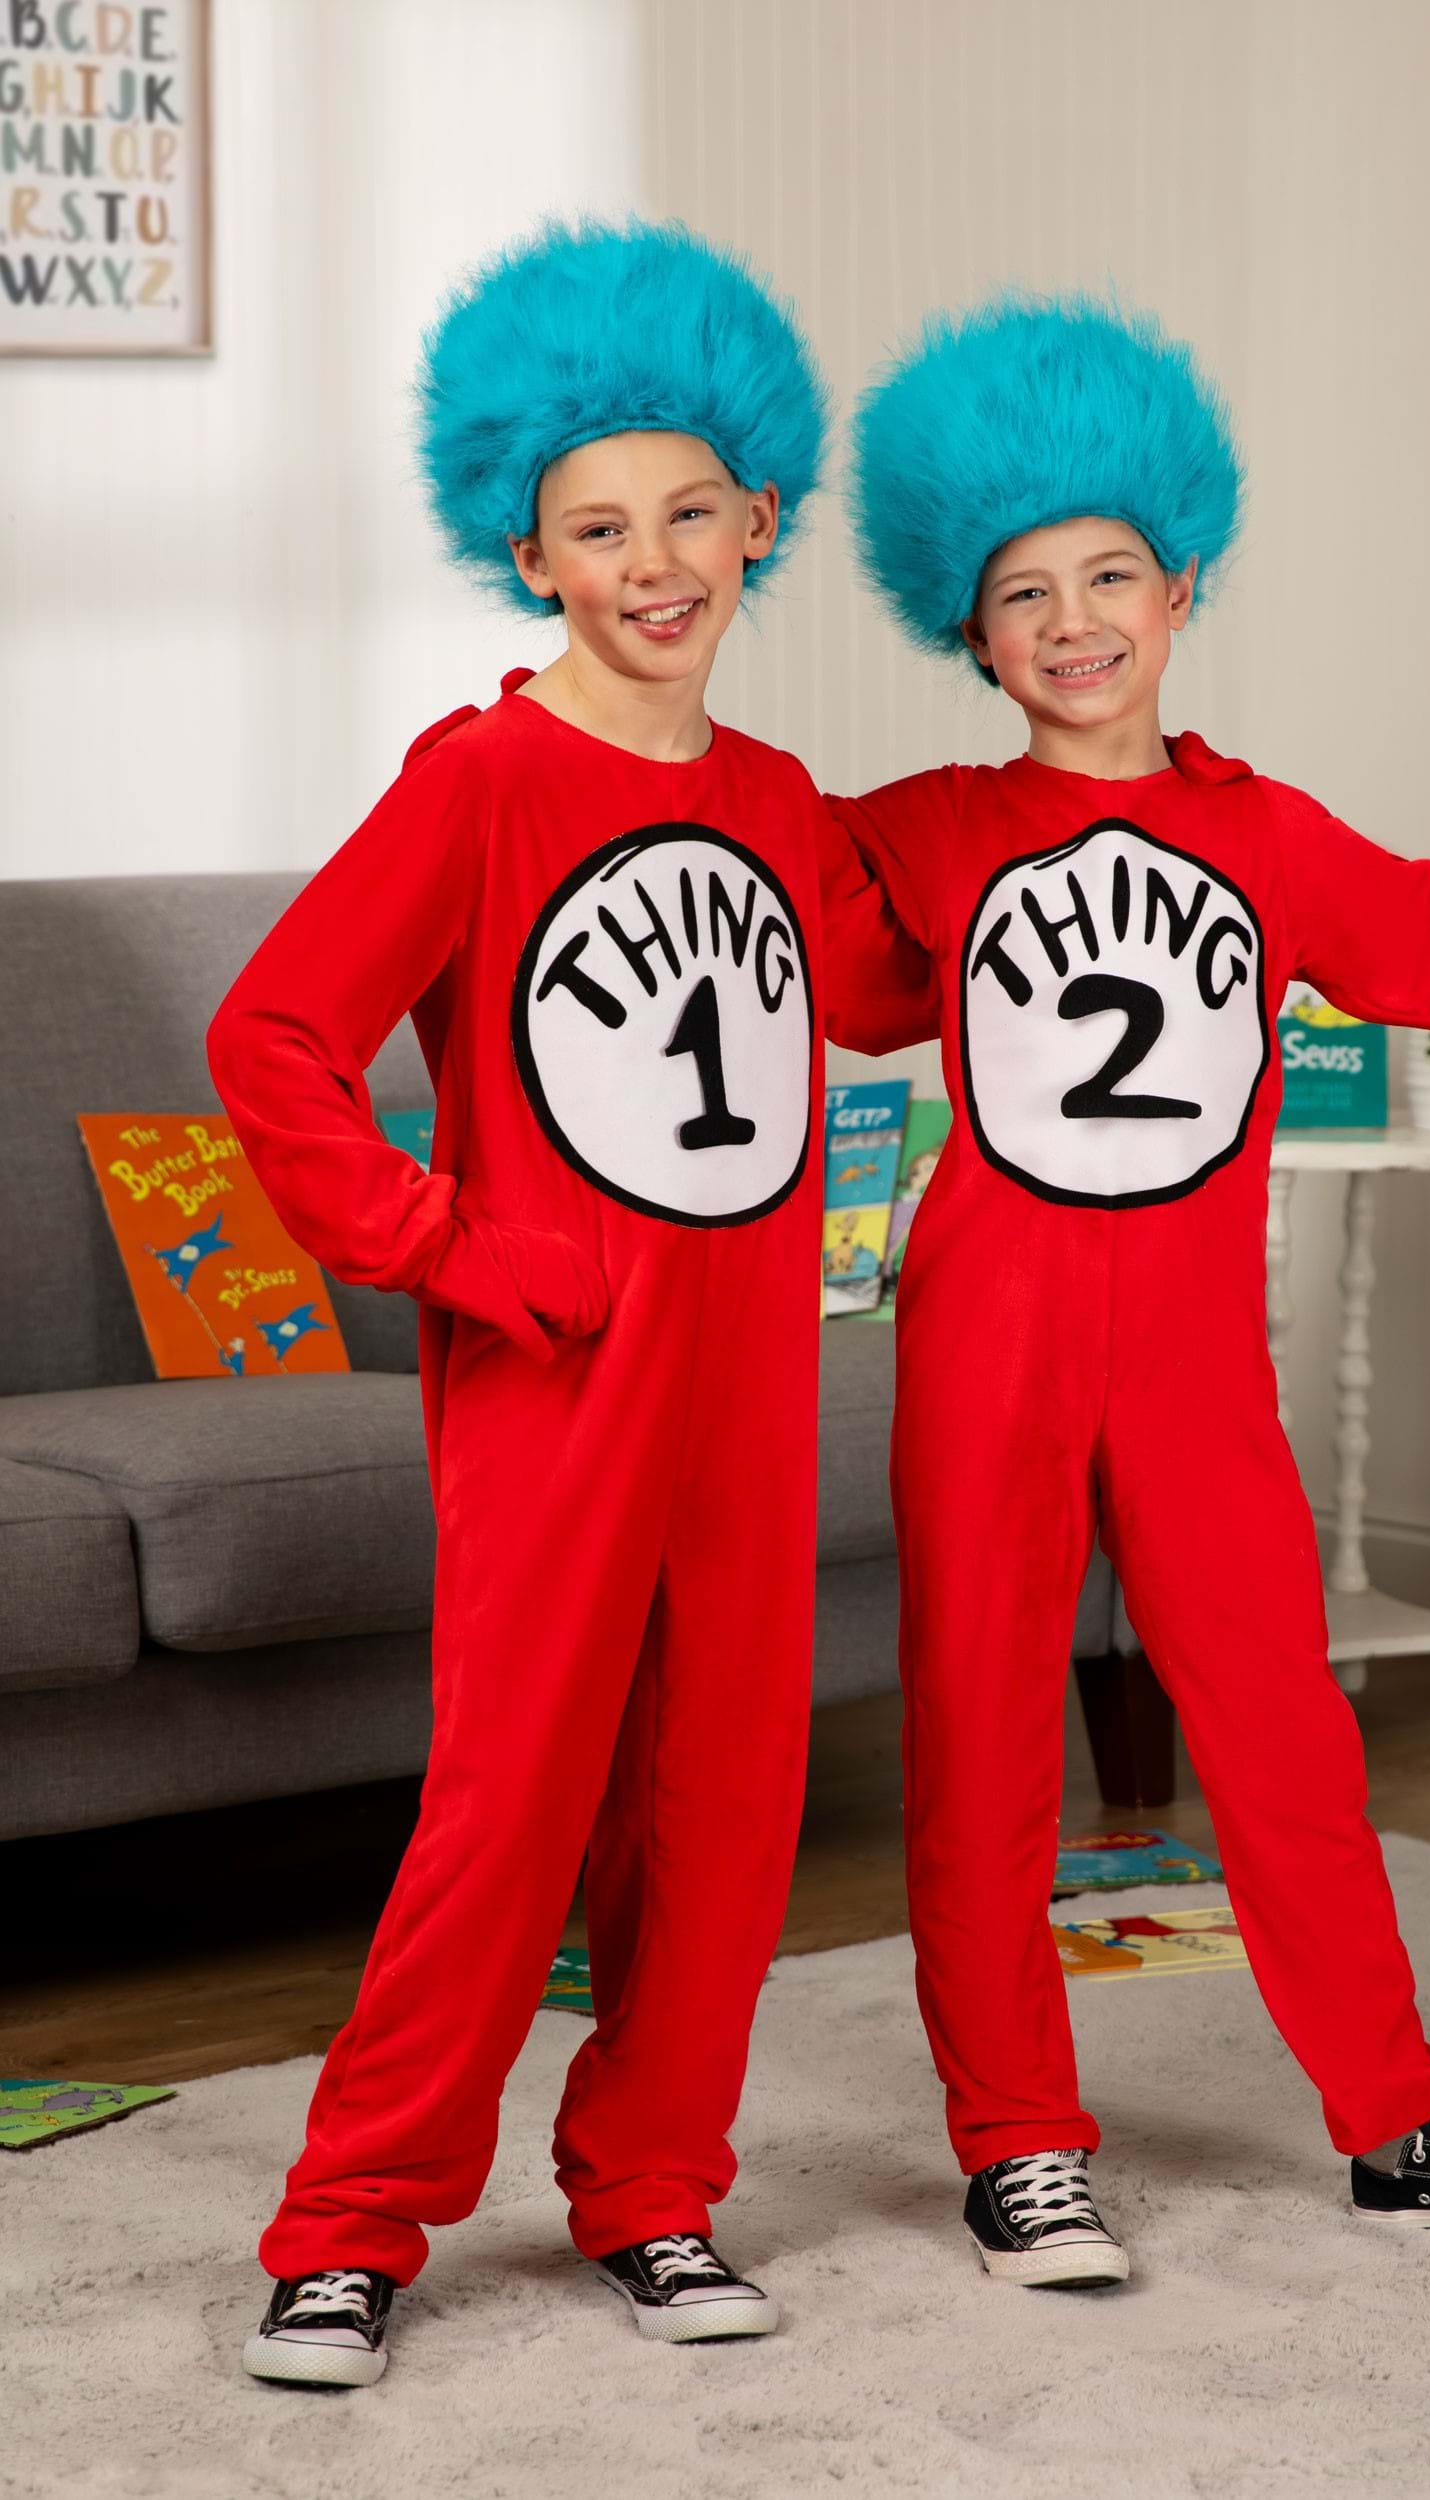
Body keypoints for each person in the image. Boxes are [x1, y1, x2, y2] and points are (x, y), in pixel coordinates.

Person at [829, 290, 1430, 2287]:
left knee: (1283, 1732)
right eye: (1020, 592)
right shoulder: (922, 830)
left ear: (1181, 582)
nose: (1071, 621)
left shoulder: (1262, 832)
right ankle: (1017, 2144)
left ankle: (1395, 2124)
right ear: (970, 633)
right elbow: (792, 958)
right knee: (975, 1741)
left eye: (1107, 573)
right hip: (988, 1338)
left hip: (1194, 1355)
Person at [209, 218, 928, 2386]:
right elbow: (275, 1038)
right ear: (526, 554)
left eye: (688, 514)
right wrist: (457, 1249)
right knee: (508, 1804)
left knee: (722, 1802)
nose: (651, 562)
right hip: (554, 1377)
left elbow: (895, 989)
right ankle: (349, 2224)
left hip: (746, 1380)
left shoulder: (778, 800)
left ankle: (655, 2188)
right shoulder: (481, 780)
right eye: (599, 528)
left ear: (760, 520)